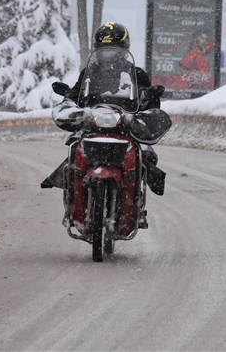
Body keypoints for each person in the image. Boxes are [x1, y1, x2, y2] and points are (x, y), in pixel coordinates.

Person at [41, 22, 169, 227]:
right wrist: (69, 99)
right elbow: (77, 94)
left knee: (146, 155)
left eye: (113, 50)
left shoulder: (136, 74)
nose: (108, 54)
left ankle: (138, 204)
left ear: (124, 49)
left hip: (124, 126)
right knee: (73, 148)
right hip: (92, 125)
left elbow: (147, 101)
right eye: (103, 50)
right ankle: (72, 201)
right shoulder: (89, 73)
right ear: (96, 49)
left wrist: (150, 98)